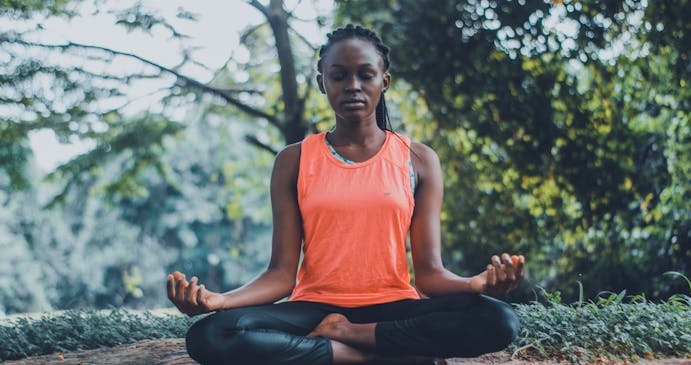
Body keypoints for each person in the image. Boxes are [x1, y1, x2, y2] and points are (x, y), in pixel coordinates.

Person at [166, 24, 525, 365]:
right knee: (212, 334)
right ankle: (370, 356)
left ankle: (345, 335)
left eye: (365, 75)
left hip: (392, 306)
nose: (353, 85)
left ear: (384, 81)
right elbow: (280, 275)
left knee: (497, 320)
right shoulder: (294, 160)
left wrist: (474, 284)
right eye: (339, 76)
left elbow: (429, 275)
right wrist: (220, 301)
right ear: (323, 83)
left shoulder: (418, 160)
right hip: (313, 308)